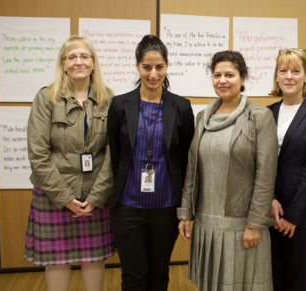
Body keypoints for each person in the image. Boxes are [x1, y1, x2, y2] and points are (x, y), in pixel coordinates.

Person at [177, 50, 278, 290]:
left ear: (243, 78)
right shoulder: (203, 117)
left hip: (242, 226)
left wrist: (255, 225)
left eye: (229, 75)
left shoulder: (260, 116)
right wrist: (185, 212)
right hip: (205, 223)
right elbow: (193, 167)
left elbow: (266, 175)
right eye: (217, 75)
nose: (222, 80)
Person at [25, 35, 115, 291]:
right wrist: (64, 198)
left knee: (94, 259)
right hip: (54, 195)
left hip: (94, 196)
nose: (78, 62)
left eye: (84, 56)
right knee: (56, 260)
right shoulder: (46, 98)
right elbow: (38, 154)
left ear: (93, 63)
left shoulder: (108, 98)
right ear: (63, 64)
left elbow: (113, 153)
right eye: (71, 57)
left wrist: (97, 196)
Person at [107, 35, 194, 291]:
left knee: (158, 274)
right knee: (133, 277)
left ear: (166, 66)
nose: (153, 74)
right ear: (137, 66)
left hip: (166, 209)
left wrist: (185, 209)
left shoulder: (181, 107)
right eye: (147, 67)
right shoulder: (119, 105)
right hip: (127, 208)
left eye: (159, 67)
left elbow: (187, 159)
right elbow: (115, 154)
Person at [267, 49, 306, 291]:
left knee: (295, 281)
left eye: (296, 71)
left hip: (302, 216)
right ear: (277, 76)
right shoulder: (267, 113)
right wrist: (269, 199)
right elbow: (259, 163)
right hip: (268, 211)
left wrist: (293, 216)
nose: (289, 77)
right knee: (272, 279)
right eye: (283, 71)